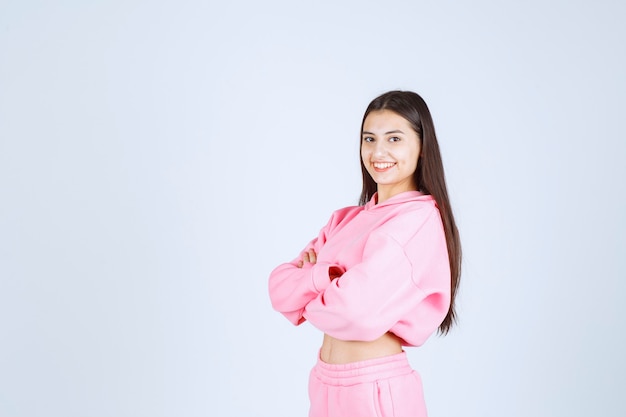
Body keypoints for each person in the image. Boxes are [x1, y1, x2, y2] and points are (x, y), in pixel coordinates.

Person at [268, 90, 461, 417]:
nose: (378, 151)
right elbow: (279, 292)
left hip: (374, 389)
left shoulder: (417, 220)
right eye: (369, 139)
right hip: (323, 383)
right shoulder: (345, 220)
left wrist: (310, 288)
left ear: (422, 147)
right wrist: (328, 280)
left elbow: (355, 314)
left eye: (395, 138)